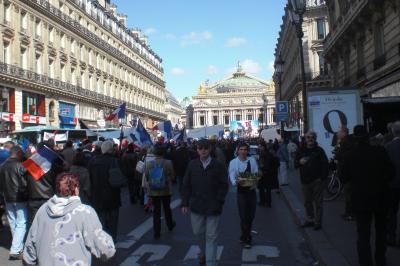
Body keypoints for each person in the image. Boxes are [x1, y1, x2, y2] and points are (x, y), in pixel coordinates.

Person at [23, 173, 115, 265]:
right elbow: (104, 247)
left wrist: (30, 260)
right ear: (76, 189)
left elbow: (31, 243)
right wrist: (108, 250)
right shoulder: (84, 212)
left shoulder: (43, 209)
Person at [339, 125, 394, 266]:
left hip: (360, 198)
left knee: (363, 233)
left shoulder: (350, 155)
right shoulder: (380, 151)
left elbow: (343, 177)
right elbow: (391, 173)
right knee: (381, 231)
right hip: (380, 197)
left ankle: (365, 262)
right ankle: (380, 259)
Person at [181, 139, 229, 266]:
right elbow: (186, 184)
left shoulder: (218, 165)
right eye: (200, 148)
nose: (203, 150)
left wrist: (219, 200)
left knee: (211, 237)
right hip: (197, 206)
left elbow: (224, 185)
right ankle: (204, 253)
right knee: (198, 233)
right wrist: (185, 202)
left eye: (206, 148)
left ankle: (210, 262)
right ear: (197, 150)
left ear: (210, 149)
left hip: (213, 206)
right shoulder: (192, 165)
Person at [88, 140, 121, 241]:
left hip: (98, 196)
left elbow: (89, 180)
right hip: (112, 195)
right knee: (113, 222)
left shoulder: (93, 161)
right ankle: (112, 241)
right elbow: (118, 180)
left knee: (101, 220)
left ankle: (103, 241)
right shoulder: (114, 161)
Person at [295, 131, 328, 230]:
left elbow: (325, 165)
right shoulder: (301, 151)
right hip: (305, 181)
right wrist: (299, 162)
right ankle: (310, 220)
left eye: (312, 137)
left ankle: (318, 222)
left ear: (315, 138)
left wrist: (322, 178)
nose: (310, 139)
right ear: (305, 139)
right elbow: (295, 164)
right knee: (307, 202)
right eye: (308, 137)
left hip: (317, 181)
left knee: (318, 202)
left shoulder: (319, 151)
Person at [0, 146, 28, 260]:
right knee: (21, 222)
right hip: (19, 198)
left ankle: (18, 247)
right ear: (18, 153)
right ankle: (15, 249)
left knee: (13, 223)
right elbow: (24, 184)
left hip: (7, 198)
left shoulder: (2, 166)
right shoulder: (20, 165)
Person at [229, 142, 259, 248]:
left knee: (251, 216)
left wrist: (254, 181)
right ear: (237, 151)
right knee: (243, 216)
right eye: (241, 149)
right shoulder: (233, 162)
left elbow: (256, 173)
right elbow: (232, 175)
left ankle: (244, 235)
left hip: (251, 191)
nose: (243, 151)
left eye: (245, 149)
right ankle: (247, 238)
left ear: (248, 151)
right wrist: (235, 182)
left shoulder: (252, 160)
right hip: (241, 192)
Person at [27, 142, 64, 226]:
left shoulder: (29, 163)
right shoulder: (52, 164)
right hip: (47, 197)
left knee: (35, 225)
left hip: (34, 198)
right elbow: (63, 171)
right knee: (48, 224)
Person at [143, 144, 176, 239]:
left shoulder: (149, 163)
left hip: (154, 190)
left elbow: (147, 176)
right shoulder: (168, 163)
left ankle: (156, 231)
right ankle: (170, 224)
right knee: (167, 209)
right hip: (166, 190)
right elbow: (173, 176)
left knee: (156, 212)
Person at [384, 120, 400, 246]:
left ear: (393, 132)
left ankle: (391, 237)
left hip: (392, 184)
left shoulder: (388, 147)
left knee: (392, 212)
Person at [257, 142, 279, 207]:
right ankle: (266, 202)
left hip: (265, 173)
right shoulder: (266, 153)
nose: (259, 147)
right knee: (266, 189)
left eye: (260, 146)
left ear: (263, 147)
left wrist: (262, 167)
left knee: (262, 188)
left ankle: (264, 202)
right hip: (267, 173)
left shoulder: (265, 154)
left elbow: (266, 164)